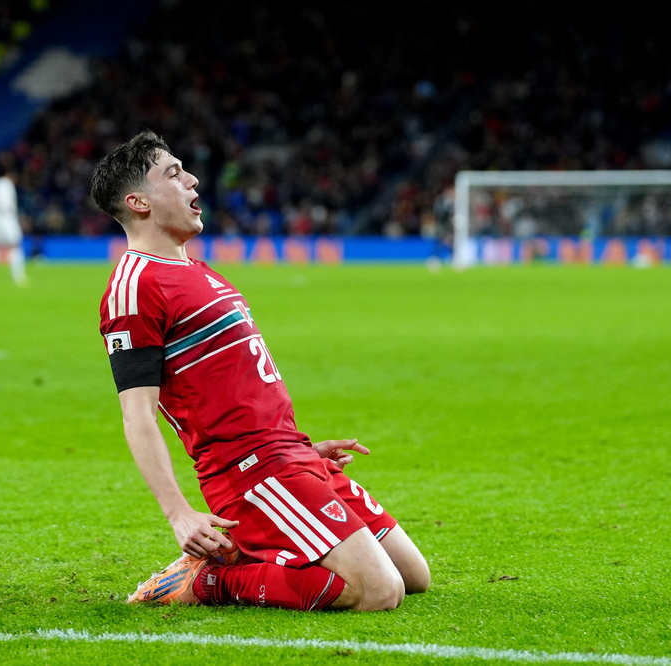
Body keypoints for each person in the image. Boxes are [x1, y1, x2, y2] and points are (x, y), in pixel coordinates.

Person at [91, 130, 430, 612]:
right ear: (138, 203)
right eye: (173, 173)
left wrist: (300, 447)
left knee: (414, 576)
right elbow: (137, 413)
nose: (192, 180)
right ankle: (210, 581)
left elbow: (235, 385)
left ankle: (255, 547)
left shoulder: (199, 270)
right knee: (378, 591)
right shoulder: (134, 288)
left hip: (289, 454)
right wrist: (179, 514)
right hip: (249, 474)